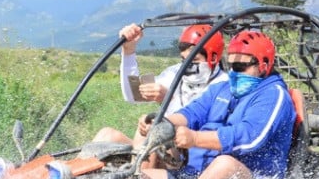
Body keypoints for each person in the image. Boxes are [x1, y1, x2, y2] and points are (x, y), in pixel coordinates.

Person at [138, 30, 297, 179]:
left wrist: (195, 138)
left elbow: (249, 137)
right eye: (230, 67)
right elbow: (192, 113)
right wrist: (161, 122)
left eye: (239, 67)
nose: (233, 73)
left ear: (264, 65)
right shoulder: (222, 89)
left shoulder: (273, 96)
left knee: (224, 164)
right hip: (199, 175)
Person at [93, 23, 227, 146]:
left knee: (152, 132)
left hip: (187, 152)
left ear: (213, 58)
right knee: (107, 135)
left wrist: (167, 99)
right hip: (161, 147)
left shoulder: (224, 85)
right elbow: (133, 96)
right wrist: (128, 51)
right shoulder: (175, 72)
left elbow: (197, 126)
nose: (187, 66)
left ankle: (139, 168)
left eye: (194, 59)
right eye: (183, 60)